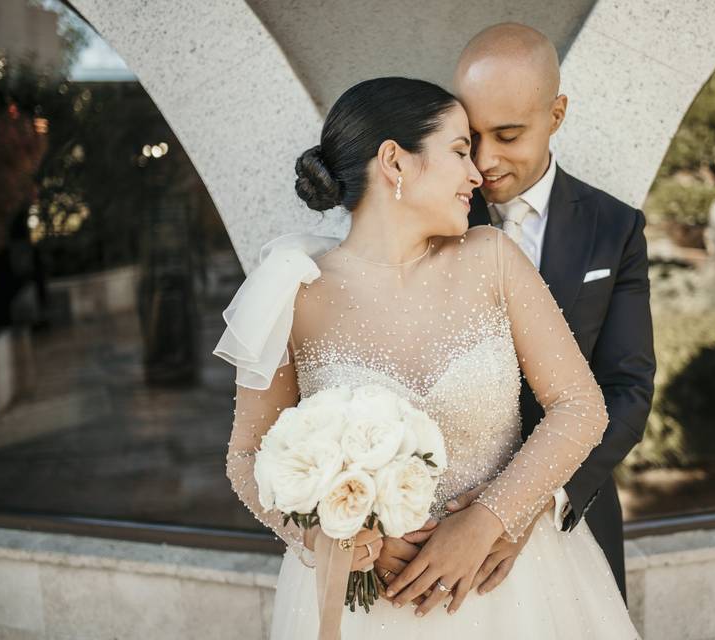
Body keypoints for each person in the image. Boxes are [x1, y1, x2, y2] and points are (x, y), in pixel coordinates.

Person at [214, 76, 639, 638]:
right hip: (365, 605)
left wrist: (489, 520)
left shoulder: (492, 257)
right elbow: (246, 457)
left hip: (514, 587)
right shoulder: (295, 294)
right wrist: (329, 537)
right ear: (394, 160)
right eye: (460, 151)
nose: (476, 173)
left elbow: (581, 406)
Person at [378, 23, 656, 603]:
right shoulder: (425, 214)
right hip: (428, 533)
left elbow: (628, 388)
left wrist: (529, 504)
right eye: (469, 135)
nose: (484, 160)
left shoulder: (616, 227)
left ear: (556, 114)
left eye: (508, 134)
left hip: (570, 516)